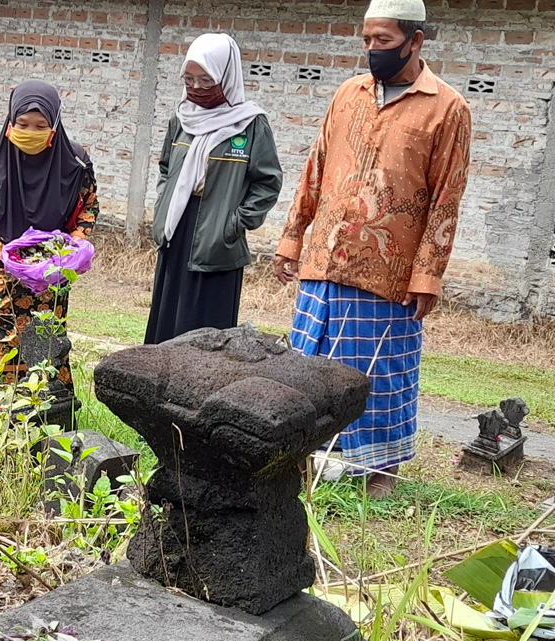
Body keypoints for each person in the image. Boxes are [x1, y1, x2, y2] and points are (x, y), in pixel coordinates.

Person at [273, 0, 472, 498]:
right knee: (309, 362)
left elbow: (447, 199)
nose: (371, 50)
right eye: (366, 40)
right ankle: (303, 457)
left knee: (380, 370)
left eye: (382, 40)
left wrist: (427, 276)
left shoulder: (447, 108)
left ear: (415, 40)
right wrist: (293, 237)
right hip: (324, 261)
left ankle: (380, 472)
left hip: (389, 273)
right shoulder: (347, 94)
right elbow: (315, 169)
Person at [145, 33, 283, 345]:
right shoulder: (181, 119)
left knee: (207, 335)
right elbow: (166, 169)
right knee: (166, 326)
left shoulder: (250, 124)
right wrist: (162, 210)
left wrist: (235, 223)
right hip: (176, 233)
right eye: (189, 79)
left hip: (218, 240)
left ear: (226, 76)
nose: (195, 88)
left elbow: (268, 181)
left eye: (206, 81)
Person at [0, 80, 99, 395]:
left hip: (49, 277)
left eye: (41, 126)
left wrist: (77, 239)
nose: (31, 132)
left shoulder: (75, 167)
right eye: (22, 124)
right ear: (10, 124)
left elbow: (89, 207)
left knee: (43, 353)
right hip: (0, 278)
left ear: (55, 126)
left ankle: (44, 432)